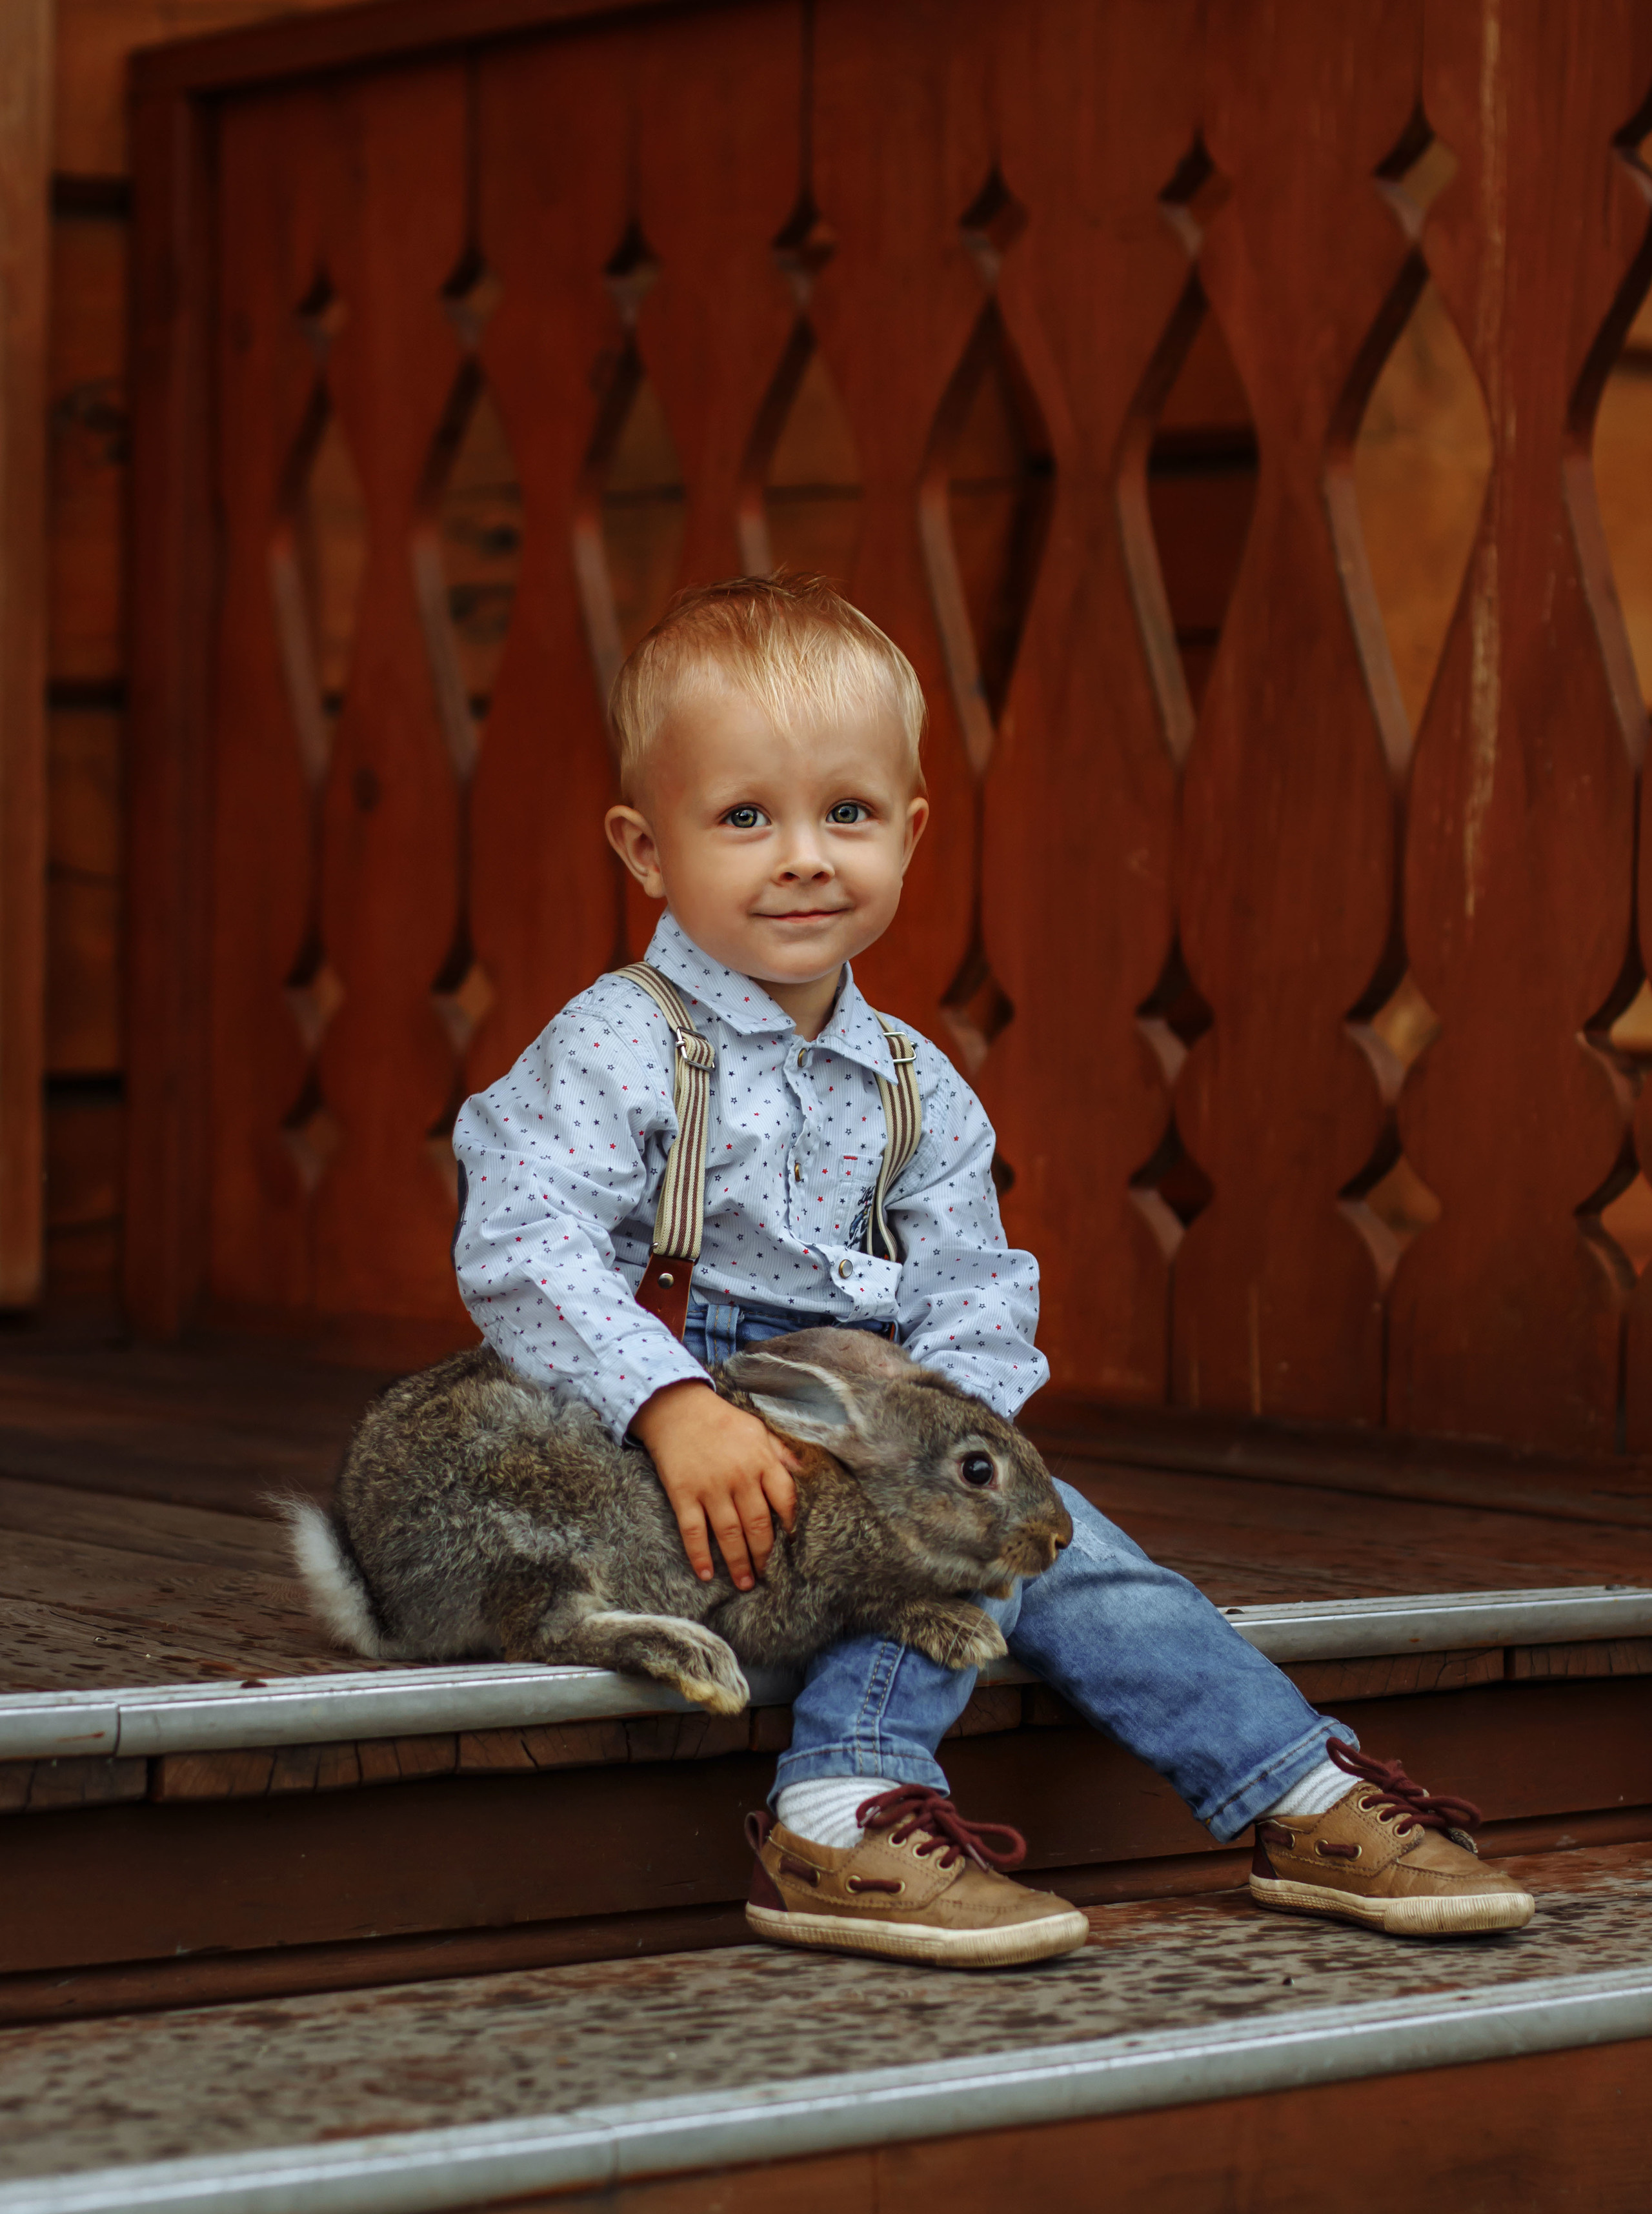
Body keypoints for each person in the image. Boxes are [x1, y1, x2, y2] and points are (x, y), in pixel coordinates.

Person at [452, 574, 1533, 1967]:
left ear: (908, 834)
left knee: (1064, 1552)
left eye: (847, 813)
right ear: (645, 850)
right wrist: (668, 1403)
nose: (804, 858)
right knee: (963, 1551)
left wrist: (951, 1438)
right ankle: (843, 1803)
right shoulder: (619, 1042)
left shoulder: (917, 1086)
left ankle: (1299, 1789)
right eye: (744, 818)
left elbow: (972, 1283)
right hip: (674, 1417)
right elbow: (523, 1239)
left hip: (879, 1415)